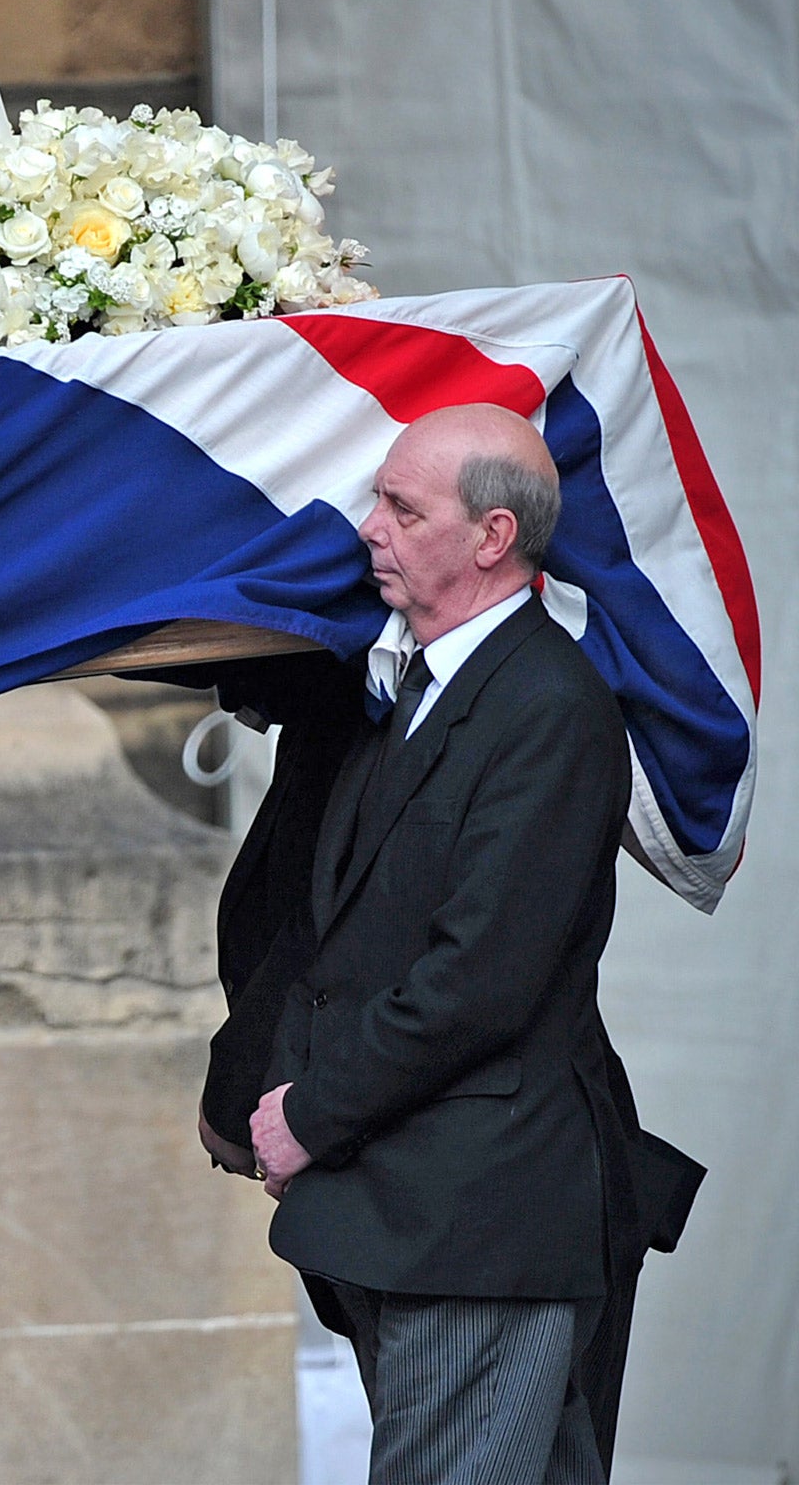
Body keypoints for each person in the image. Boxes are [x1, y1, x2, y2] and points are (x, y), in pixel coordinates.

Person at [245, 403, 648, 1482]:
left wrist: (312, 1115)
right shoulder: (412, 691)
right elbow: (339, 939)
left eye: (398, 506)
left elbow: (479, 980)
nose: (366, 526)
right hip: (404, 1214)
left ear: (489, 539)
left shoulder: (546, 707)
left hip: (475, 1225)